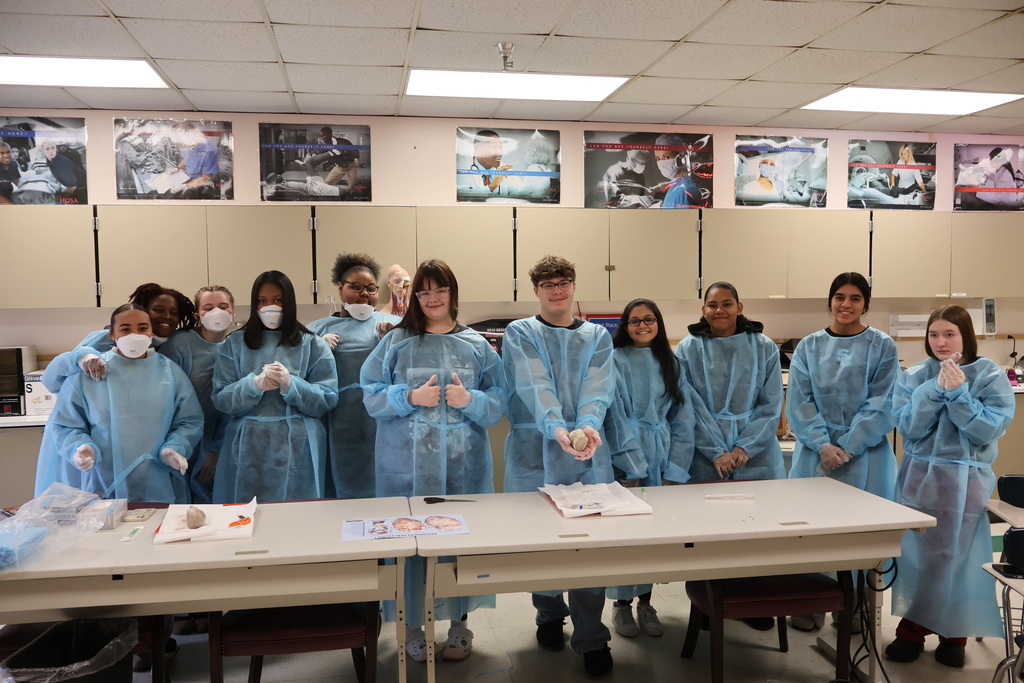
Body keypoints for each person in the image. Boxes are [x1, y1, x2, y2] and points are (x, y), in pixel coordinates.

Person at [361, 259, 506, 663]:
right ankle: (411, 629)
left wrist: (470, 400)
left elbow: (498, 405)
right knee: (409, 547)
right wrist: (408, 397)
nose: (432, 298)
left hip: (464, 468)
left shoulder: (477, 345)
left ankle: (460, 627)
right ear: (414, 297)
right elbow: (370, 394)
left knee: (460, 546)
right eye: (424, 292)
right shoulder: (395, 342)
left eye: (439, 290)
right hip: (403, 469)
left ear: (452, 293)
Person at [502, 255, 616, 679]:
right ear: (536, 290)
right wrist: (557, 428)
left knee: (590, 546)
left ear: (573, 284)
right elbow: (534, 382)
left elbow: (599, 385)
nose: (556, 289)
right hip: (535, 450)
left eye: (563, 281)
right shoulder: (521, 332)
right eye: (547, 283)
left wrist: (586, 425)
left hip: (589, 456)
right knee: (542, 543)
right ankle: (549, 613)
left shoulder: (597, 337)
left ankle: (591, 636)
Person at [885, 305, 1014, 669]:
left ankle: (950, 634)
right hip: (920, 477)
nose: (941, 342)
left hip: (966, 479)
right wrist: (934, 389)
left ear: (965, 335)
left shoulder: (988, 375)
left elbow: (987, 429)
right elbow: (909, 428)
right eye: (933, 335)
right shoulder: (915, 376)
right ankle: (913, 628)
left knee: (955, 558)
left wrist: (959, 394)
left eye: (949, 334)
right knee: (919, 555)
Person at [786, 273, 899, 632]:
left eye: (854, 298)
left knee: (860, 537)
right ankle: (810, 604)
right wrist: (822, 444)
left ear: (866, 303)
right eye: (839, 296)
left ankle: (853, 609)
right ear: (829, 300)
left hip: (866, 456)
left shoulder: (882, 346)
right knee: (811, 532)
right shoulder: (809, 346)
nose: (845, 304)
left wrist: (847, 446)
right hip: (814, 454)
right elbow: (800, 401)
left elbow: (882, 403)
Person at [675, 281, 784, 631]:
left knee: (757, 533)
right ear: (703, 308)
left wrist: (743, 448)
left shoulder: (764, 347)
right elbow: (688, 404)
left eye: (726, 303)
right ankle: (708, 603)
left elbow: (770, 405)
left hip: (757, 456)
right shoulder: (689, 349)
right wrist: (717, 450)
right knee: (709, 536)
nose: (719, 310)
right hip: (705, 455)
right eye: (711, 304)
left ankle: (754, 603)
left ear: (740, 306)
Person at [42, 303, 203, 503]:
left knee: (156, 529)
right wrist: (82, 447)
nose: (134, 334)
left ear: (151, 331)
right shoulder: (91, 373)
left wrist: (176, 447)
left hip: (158, 477)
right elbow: (66, 423)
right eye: (125, 329)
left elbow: (189, 420)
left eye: (142, 328)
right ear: (112, 334)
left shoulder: (170, 373)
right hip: (104, 477)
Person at [605, 299, 695, 639]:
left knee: (654, 536)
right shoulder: (613, 360)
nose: (642, 325)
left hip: (660, 455)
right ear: (624, 327)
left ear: (659, 323)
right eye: (634, 321)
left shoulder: (671, 362)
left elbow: (683, 421)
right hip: (623, 457)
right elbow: (612, 416)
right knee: (626, 538)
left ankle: (645, 601)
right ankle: (621, 605)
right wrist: (629, 463)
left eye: (649, 319)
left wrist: (675, 469)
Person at [212, 271, 338, 503]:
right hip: (246, 446)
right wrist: (253, 385)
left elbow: (327, 399)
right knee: (243, 517)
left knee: (298, 519)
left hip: (299, 449)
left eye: (278, 300)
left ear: (289, 302)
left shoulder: (313, 345)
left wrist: (292, 384)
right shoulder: (234, 344)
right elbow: (221, 398)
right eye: (262, 301)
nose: (270, 306)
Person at [308, 254, 400, 499]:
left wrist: (392, 341)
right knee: (336, 494)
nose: (364, 294)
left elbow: (409, 376)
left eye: (371, 289)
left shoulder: (396, 325)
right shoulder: (317, 330)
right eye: (356, 287)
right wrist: (316, 348)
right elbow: (301, 378)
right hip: (335, 425)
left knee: (384, 492)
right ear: (340, 287)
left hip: (384, 425)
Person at [41, 283, 197, 393]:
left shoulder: (173, 347)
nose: (167, 317)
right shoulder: (105, 340)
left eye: (174, 312)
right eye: (158, 310)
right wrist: (81, 357)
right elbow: (53, 381)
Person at [159, 285, 235, 505]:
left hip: (216, 437)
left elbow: (233, 406)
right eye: (208, 307)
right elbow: (163, 395)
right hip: (175, 433)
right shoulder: (180, 344)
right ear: (197, 315)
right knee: (176, 499)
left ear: (233, 312)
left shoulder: (236, 346)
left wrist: (215, 450)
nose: (216, 312)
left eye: (223, 306)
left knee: (211, 502)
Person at [171, 122, 219, 198]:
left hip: (201, 185)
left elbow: (205, 178)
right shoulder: (191, 145)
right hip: (187, 178)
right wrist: (178, 168)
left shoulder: (210, 150)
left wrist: (184, 186)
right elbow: (187, 157)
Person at [654, 133, 701, 209]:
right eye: (658, 159)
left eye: (666, 157)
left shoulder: (684, 189)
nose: (661, 163)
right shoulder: (675, 186)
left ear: (681, 157)